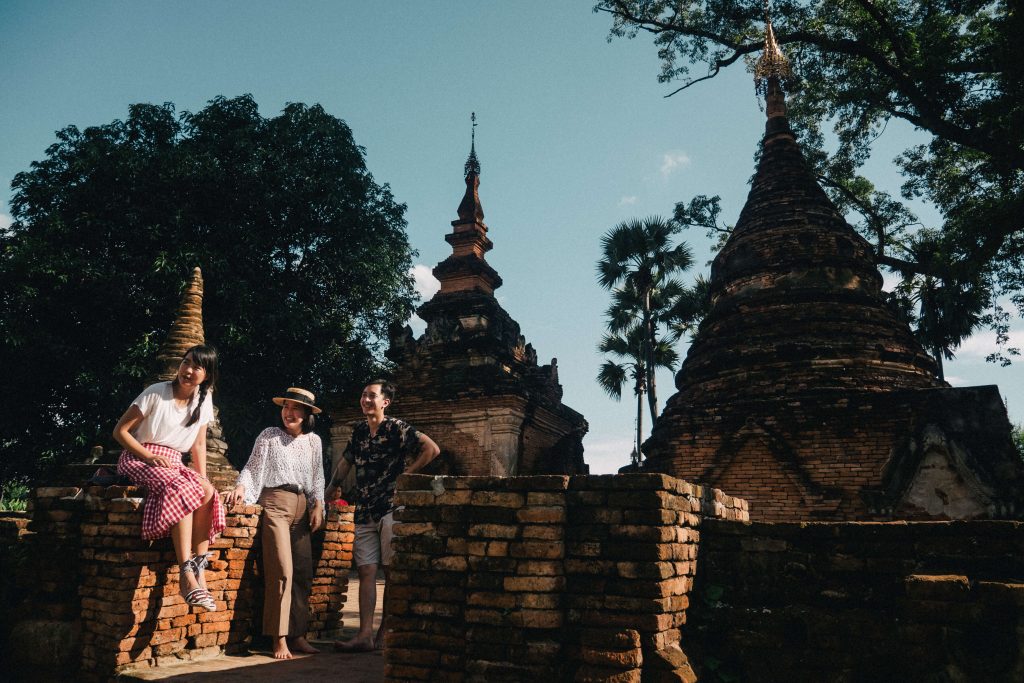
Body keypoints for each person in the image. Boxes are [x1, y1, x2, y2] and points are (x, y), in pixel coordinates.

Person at [327, 379, 439, 652]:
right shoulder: (359, 432)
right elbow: (346, 461)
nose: (366, 400)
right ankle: (364, 635)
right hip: (365, 510)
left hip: (391, 507)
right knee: (366, 571)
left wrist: (407, 476)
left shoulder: (396, 428)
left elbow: (431, 449)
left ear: (385, 402)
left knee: (391, 572)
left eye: (372, 396)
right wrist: (332, 485)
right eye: (363, 395)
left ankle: (384, 632)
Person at [113, 344, 225, 612]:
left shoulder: (203, 399)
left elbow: (198, 445)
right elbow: (120, 432)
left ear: (207, 375)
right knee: (182, 488)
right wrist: (148, 457)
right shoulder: (156, 393)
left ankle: (199, 569)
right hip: (140, 456)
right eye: (186, 363)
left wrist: (204, 478)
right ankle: (185, 573)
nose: (188, 370)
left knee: (207, 492)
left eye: (196, 367)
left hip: (174, 462)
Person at [224, 387, 325, 660]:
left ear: (306, 414)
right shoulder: (269, 436)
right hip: (275, 503)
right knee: (282, 570)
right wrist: (241, 488)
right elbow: (251, 468)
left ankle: (298, 635)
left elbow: (317, 476)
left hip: (302, 506)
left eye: (295, 408)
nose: (289, 412)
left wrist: (319, 505)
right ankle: (278, 638)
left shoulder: (314, 441)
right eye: (286, 407)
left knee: (303, 572)